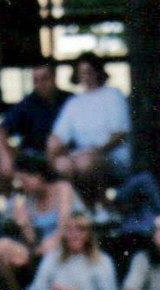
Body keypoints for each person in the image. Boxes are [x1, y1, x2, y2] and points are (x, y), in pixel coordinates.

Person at [0, 158, 81, 290]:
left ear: (38, 176)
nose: (22, 185)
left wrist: (49, 244)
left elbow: (65, 225)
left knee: (50, 247)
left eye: (25, 180)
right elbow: (32, 241)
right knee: (1, 246)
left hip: (66, 242)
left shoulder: (62, 188)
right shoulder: (26, 200)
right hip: (40, 249)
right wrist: (24, 225)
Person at [45, 56, 130, 192]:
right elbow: (59, 135)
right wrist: (53, 148)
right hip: (81, 156)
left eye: (89, 71)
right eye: (82, 72)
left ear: (98, 72)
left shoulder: (113, 95)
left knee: (86, 163)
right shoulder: (74, 102)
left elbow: (120, 134)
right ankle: (78, 207)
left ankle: (99, 207)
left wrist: (96, 151)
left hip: (112, 158)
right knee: (62, 165)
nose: (86, 76)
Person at [0, 59, 66, 181]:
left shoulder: (69, 101)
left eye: (44, 79)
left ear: (54, 78)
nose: (40, 84)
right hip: (33, 157)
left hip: (62, 155)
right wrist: (5, 156)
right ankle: (8, 199)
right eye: (36, 80)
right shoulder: (28, 103)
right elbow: (2, 130)